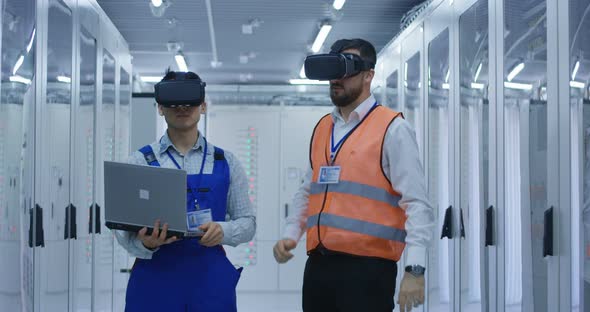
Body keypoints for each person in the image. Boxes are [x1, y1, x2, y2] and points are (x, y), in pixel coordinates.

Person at [272, 38, 434, 312]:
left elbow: (417, 203)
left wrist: (415, 270)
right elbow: (308, 189)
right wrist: (292, 233)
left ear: (369, 75)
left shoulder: (392, 128)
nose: (337, 78)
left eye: (345, 69)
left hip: (368, 272)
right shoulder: (324, 127)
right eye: (333, 70)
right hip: (319, 268)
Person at [114, 70, 256, 312]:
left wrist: (224, 230)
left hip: (210, 280)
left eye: (190, 99)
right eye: (173, 100)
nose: (182, 106)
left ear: (203, 106)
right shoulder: (138, 162)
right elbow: (121, 231)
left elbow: (248, 224)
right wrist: (145, 244)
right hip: (155, 281)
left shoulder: (227, 162)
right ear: (160, 107)